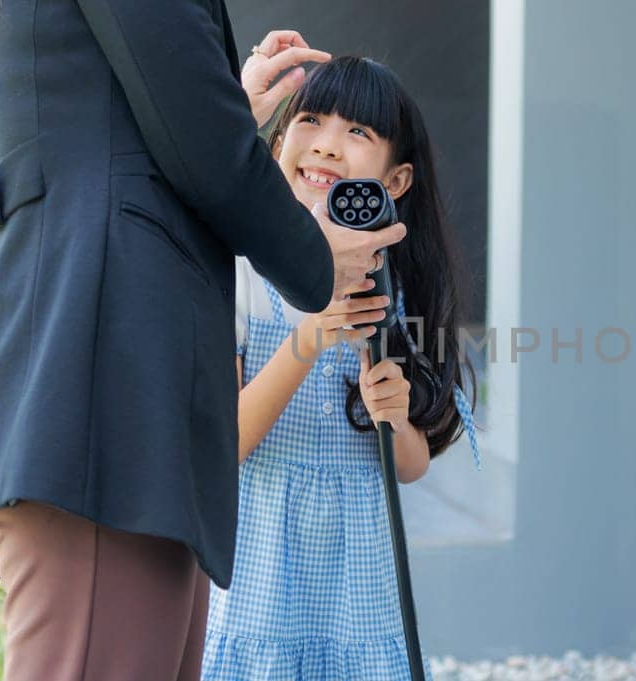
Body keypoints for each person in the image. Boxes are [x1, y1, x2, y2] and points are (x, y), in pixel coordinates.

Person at [0, 1, 404, 679]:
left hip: (105, 400)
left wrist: (224, 106)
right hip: (110, 405)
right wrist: (321, 261)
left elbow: (105, 139)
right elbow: (198, 155)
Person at [200, 57, 480, 680]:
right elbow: (226, 443)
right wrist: (313, 333)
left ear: (397, 179)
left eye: (358, 133)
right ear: (277, 143)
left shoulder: (392, 287)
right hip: (262, 570)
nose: (327, 144)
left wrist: (396, 418)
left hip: (359, 578)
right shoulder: (242, 273)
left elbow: (409, 465)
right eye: (311, 120)